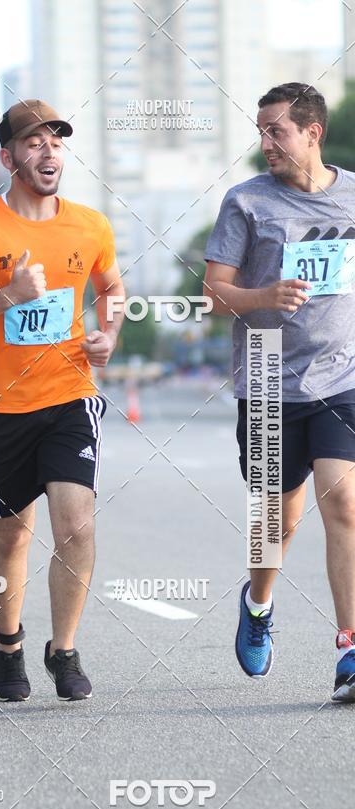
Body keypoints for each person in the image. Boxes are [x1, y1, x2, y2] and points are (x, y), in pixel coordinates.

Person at [0, 99, 125, 701]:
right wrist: (5, 297)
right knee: (12, 535)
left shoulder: (89, 224)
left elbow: (112, 287)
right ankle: (9, 640)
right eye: (34, 143)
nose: (49, 153)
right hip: (0, 408)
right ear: (7, 156)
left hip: (70, 397)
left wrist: (108, 335)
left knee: (77, 526)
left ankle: (63, 650)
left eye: (57, 143)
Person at [204, 82, 355, 702]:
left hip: (342, 376)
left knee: (342, 504)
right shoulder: (247, 203)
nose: (265, 142)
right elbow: (214, 296)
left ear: (312, 132)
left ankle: (349, 648)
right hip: (267, 374)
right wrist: (263, 297)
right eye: (261, 131)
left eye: (277, 131)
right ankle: (259, 603)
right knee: (277, 524)